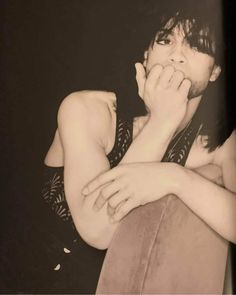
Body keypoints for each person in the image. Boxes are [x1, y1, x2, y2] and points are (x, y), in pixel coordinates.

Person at [42, 0, 236, 293]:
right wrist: (162, 120)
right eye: (165, 40)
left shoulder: (218, 143)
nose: (176, 55)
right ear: (146, 55)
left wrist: (176, 178)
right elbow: (97, 229)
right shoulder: (87, 109)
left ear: (215, 71)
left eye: (197, 45)